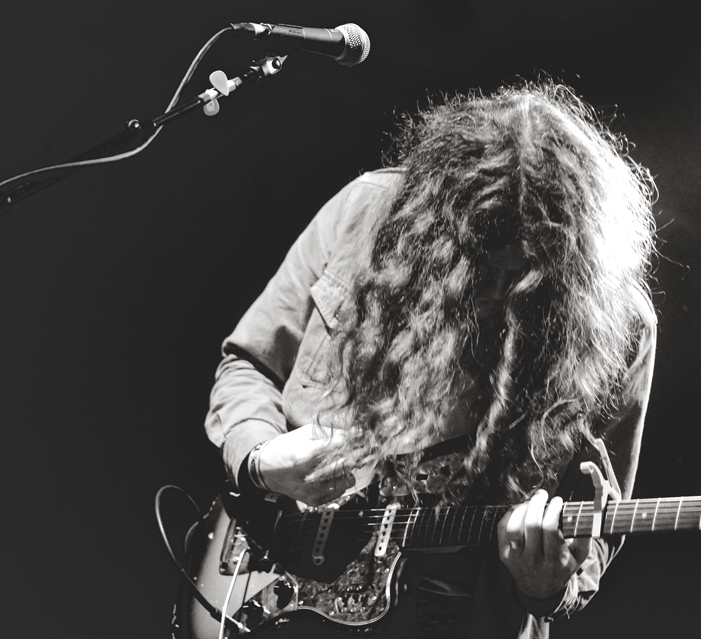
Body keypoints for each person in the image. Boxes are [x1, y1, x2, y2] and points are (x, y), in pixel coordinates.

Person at [204, 79, 658, 638]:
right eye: (475, 268)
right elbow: (249, 364)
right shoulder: (365, 212)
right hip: (275, 592)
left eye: (521, 281)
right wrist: (260, 459)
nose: (493, 295)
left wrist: (546, 584)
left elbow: (594, 531)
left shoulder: (621, 328)